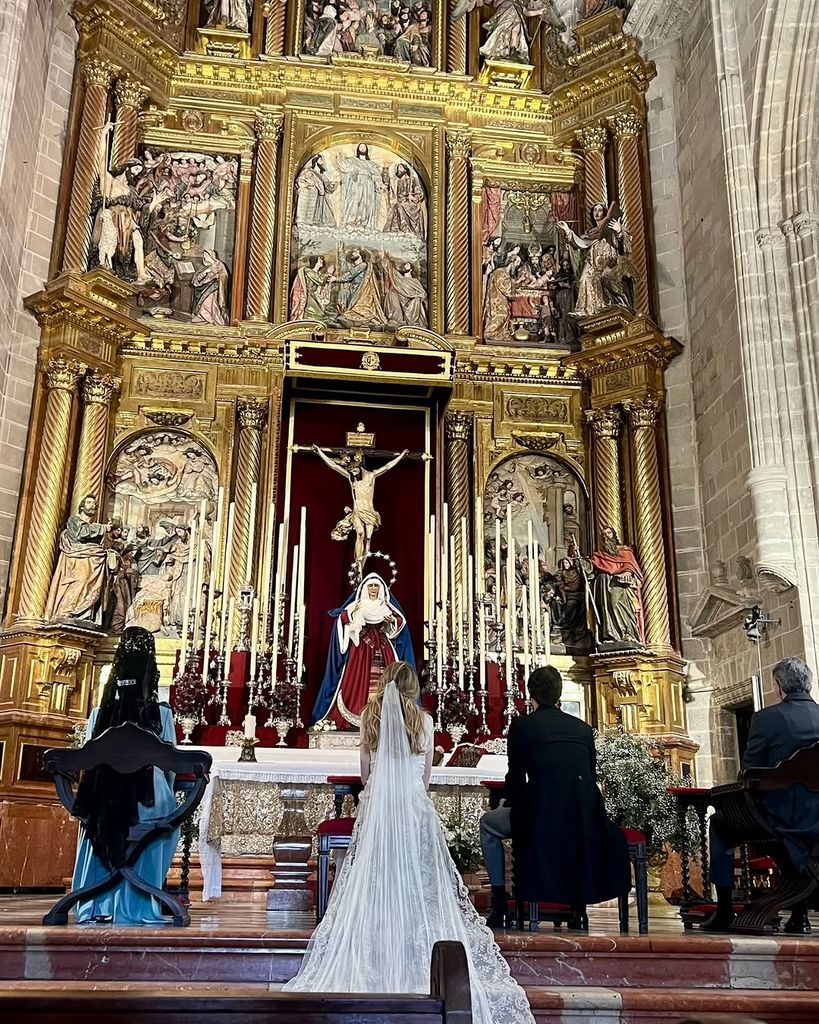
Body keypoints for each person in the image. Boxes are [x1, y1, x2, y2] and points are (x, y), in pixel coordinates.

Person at [286, 662, 535, 1023]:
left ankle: (378, 944)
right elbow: (426, 777)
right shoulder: (425, 721)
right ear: (412, 687)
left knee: (376, 878)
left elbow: (366, 774)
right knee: (418, 880)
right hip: (415, 807)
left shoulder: (371, 718)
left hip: (379, 809)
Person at [480, 666, 630, 929]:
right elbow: (589, 774)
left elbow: (515, 778)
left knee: (488, 825)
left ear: (531, 695)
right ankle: (577, 908)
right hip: (582, 816)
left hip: (540, 817)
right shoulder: (583, 730)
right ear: (559, 694)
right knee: (567, 828)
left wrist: (508, 802)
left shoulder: (523, 727)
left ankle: (500, 901)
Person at [71, 627, 178, 924]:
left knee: (98, 814)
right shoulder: (162, 715)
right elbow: (171, 770)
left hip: (101, 802)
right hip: (148, 802)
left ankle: (94, 902)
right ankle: (140, 899)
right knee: (166, 818)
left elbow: (85, 763)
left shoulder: (98, 715)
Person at [704, 656, 819, 931]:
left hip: (781, 820)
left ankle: (724, 909)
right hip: (816, 820)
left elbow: (749, 773)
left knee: (720, 824)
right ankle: (799, 915)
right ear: (809, 684)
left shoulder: (767, 718)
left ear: (779, 687)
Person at [311, 572, 415, 729]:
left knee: (387, 678)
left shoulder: (385, 605)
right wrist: (350, 613)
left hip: (383, 645)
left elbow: (400, 622)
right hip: (361, 648)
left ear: (381, 588)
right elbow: (342, 619)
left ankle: (385, 718)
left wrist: (393, 620)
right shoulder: (358, 604)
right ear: (365, 588)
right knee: (357, 679)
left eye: (376, 586)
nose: (373, 588)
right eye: (371, 585)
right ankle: (357, 713)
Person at [44, 495, 111, 623]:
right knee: (79, 581)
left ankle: (83, 614)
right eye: (89, 502)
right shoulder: (74, 520)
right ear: (82, 506)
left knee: (89, 586)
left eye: (94, 503)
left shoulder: (93, 525)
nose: (93, 505)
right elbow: (81, 534)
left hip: (92, 561)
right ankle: (67, 611)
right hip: (76, 559)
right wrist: (102, 528)